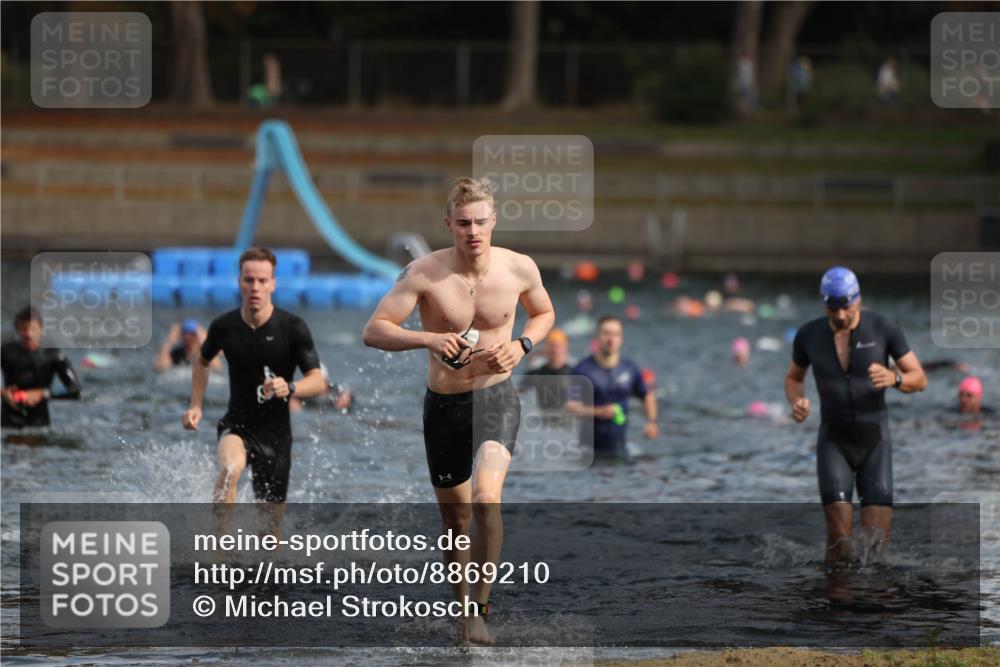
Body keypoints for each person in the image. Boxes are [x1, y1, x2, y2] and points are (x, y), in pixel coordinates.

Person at [362, 177, 555, 645]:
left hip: (497, 397)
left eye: (481, 222)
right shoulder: (423, 273)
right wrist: (427, 338)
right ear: (448, 224)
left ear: (494, 222)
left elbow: (544, 313)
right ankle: (462, 609)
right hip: (444, 406)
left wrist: (522, 345)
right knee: (456, 520)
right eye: (464, 223)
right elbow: (374, 330)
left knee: (488, 498)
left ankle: (480, 608)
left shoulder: (519, 268)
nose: (473, 231)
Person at [785, 267, 926, 563]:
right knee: (838, 543)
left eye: (846, 306)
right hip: (833, 442)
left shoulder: (883, 328)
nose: (839, 314)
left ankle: (872, 607)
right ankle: (837, 605)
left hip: (875, 442)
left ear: (858, 300)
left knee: (876, 549)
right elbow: (794, 378)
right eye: (832, 306)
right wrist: (797, 400)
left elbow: (919, 378)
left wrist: (895, 379)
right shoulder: (809, 335)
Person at [182, 247, 326, 534]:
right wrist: (196, 405)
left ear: (273, 283)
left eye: (262, 280)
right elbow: (202, 361)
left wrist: (291, 386)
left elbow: (318, 380)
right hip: (237, 424)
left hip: (276, 435)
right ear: (239, 282)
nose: (255, 287)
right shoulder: (224, 326)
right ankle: (219, 551)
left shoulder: (293, 327)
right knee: (230, 470)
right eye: (249, 280)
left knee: (270, 536)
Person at [565, 315, 659, 459]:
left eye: (615, 334)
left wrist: (651, 422)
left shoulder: (630, 369)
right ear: (597, 338)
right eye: (606, 333)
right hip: (589, 452)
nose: (610, 339)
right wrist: (599, 412)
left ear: (621, 339)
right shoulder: (582, 370)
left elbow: (647, 395)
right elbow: (570, 408)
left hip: (620, 449)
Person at [1, 306, 81, 428]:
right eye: (24, 329)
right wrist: (2, 392)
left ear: (41, 330)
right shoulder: (6, 352)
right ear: (17, 329)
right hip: (9, 420)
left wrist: (43, 394)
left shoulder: (55, 356)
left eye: (32, 329)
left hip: (39, 423)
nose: (28, 334)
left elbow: (75, 390)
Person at [519, 328, 573, 410]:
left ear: (565, 347)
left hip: (569, 417)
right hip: (545, 418)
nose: (554, 350)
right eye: (551, 346)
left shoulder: (575, 371)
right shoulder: (538, 372)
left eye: (557, 346)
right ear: (546, 349)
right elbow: (518, 392)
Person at [154, 319, 222, 372]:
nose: (187, 337)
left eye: (192, 334)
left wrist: (204, 340)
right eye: (184, 333)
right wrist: (170, 341)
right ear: (180, 335)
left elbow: (218, 368)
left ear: (197, 336)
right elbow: (161, 368)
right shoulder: (177, 353)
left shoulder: (203, 354)